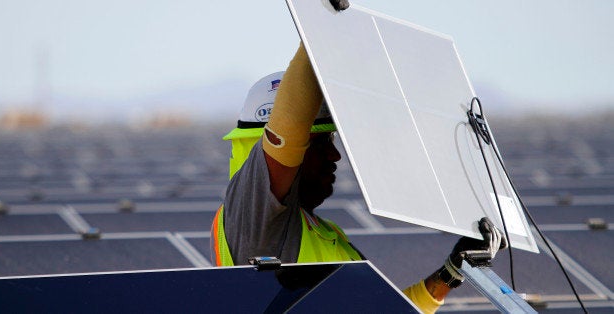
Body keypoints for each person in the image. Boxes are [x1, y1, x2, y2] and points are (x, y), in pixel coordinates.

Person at [210, 2, 506, 313]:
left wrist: (450, 273)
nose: (336, 154)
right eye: (323, 142)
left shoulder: (320, 233)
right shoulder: (252, 221)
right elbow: (286, 135)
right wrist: (318, 27)